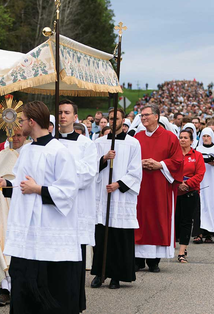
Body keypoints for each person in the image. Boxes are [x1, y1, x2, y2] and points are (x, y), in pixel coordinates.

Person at [0, 101, 81, 314]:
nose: (19, 124)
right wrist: (5, 184)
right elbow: (21, 185)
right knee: (24, 285)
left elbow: (68, 191)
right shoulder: (27, 150)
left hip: (49, 230)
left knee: (48, 288)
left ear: (31, 121)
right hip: (26, 233)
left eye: (22, 120)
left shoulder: (58, 151)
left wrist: (38, 189)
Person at [91, 107, 142, 289]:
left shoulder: (133, 143)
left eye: (116, 118)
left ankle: (116, 276)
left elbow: (136, 172)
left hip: (121, 197)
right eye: (110, 118)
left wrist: (119, 184)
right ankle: (99, 273)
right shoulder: (100, 142)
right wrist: (104, 159)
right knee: (101, 235)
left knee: (118, 237)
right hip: (103, 195)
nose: (113, 121)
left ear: (123, 121)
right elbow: (91, 168)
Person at [134, 103, 184, 272]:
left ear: (156, 116)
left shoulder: (169, 137)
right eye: (141, 116)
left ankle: (154, 261)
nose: (143, 118)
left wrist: (160, 164)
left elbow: (178, 161)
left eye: (146, 115)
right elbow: (128, 159)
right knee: (139, 219)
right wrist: (139, 163)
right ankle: (138, 260)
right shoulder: (136, 138)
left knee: (157, 218)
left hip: (159, 186)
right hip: (140, 187)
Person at [58, 99, 97, 311]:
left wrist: (61, 173)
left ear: (75, 117)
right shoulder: (50, 143)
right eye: (60, 112)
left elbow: (87, 175)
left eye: (67, 112)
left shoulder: (86, 145)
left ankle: (73, 305)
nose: (63, 116)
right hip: (53, 211)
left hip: (77, 210)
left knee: (74, 264)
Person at [0, 128, 28, 307]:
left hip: (22, 208)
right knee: (2, 245)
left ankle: (21, 289)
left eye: (19, 135)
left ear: (25, 136)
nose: (15, 139)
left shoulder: (29, 154)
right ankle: (4, 290)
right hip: (2, 208)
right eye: (12, 135)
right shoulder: (2, 154)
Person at [175, 130, 205, 263]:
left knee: (186, 222)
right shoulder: (173, 155)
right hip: (175, 192)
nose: (182, 140)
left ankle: (182, 252)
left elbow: (200, 174)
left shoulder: (197, 155)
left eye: (185, 138)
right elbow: (168, 170)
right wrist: (177, 183)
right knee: (175, 222)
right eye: (180, 137)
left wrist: (186, 184)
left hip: (190, 193)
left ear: (191, 141)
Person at [194, 128, 214, 243]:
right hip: (201, 181)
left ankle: (209, 234)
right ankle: (200, 233)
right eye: (204, 136)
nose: (206, 138)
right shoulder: (197, 150)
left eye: (208, 136)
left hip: (212, 181)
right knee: (201, 206)